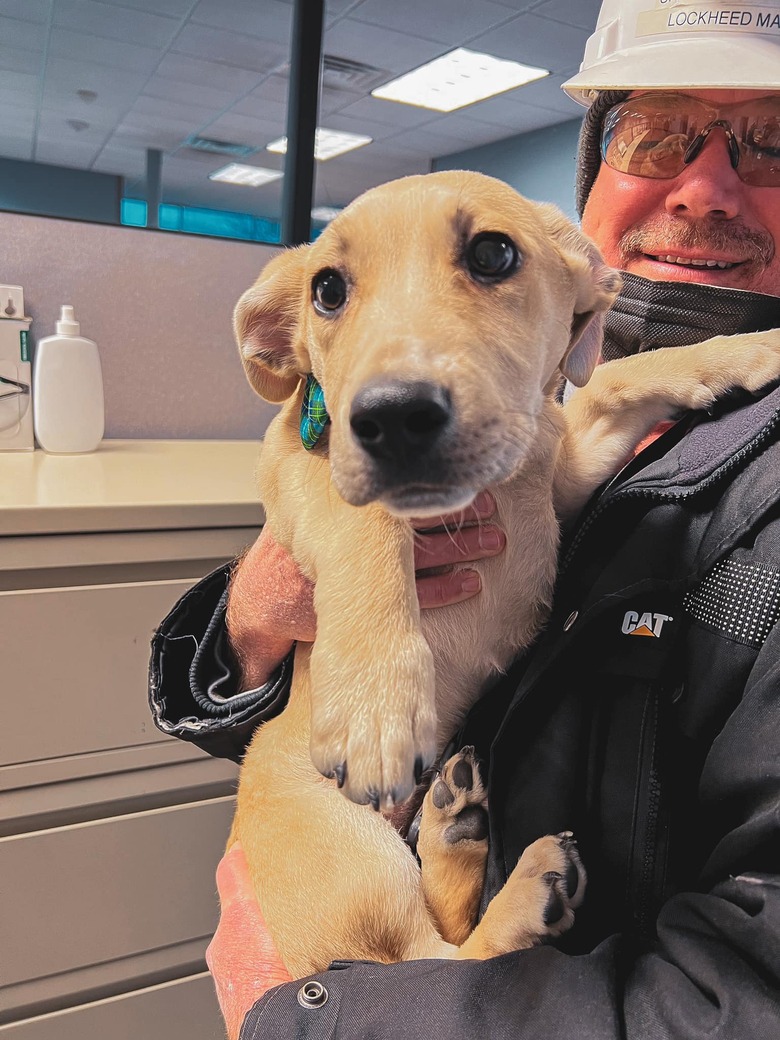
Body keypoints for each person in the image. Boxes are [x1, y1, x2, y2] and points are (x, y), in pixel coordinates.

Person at [149, 1, 780, 1036]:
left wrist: (318, 1013)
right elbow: (310, 509)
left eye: (771, 144)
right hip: (379, 839)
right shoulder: (573, 377)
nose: (701, 190)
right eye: (654, 135)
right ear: (597, 177)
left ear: (568, 287)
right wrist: (256, 627)